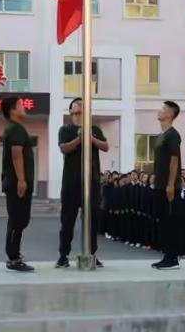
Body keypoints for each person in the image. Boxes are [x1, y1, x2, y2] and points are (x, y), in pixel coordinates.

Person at [56, 98, 109, 268]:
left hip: (92, 181)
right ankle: (63, 255)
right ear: (71, 113)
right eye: (75, 112)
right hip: (71, 183)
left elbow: (105, 146)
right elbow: (64, 148)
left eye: (81, 111)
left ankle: (92, 253)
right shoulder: (65, 129)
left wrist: (90, 138)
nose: (78, 115)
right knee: (67, 221)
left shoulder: (95, 130)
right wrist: (80, 139)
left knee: (92, 221)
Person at [0, 97, 35, 272]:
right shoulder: (16, 129)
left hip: (13, 182)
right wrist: (21, 180)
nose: (24, 107)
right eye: (21, 105)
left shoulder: (13, 128)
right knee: (18, 220)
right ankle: (13, 258)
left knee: (18, 220)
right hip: (16, 183)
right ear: (13, 110)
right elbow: (16, 154)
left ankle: (14, 255)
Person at [151, 101, 184, 270]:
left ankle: (172, 259)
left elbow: (174, 160)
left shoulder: (172, 135)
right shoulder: (161, 136)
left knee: (170, 222)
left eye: (163, 109)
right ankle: (166, 256)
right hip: (159, 185)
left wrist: (171, 184)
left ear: (170, 115)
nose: (160, 110)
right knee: (163, 221)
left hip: (169, 186)